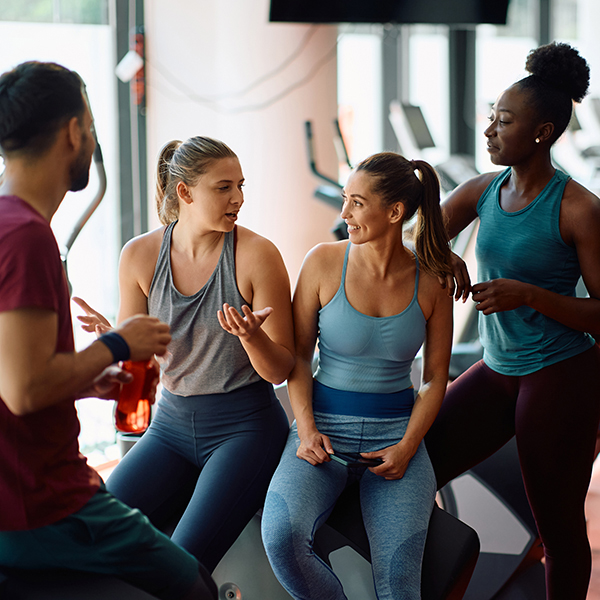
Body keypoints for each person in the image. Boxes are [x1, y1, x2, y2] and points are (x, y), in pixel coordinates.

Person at [0, 61, 216, 599]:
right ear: (74, 132)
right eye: (92, 127)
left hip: (16, 495)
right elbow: (24, 390)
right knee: (197, 588)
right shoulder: (26, 238)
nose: (93, 139)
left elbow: (14, 371)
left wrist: (84, 377)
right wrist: (119, 342)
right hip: (45, 502)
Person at [424, 42, 600, 600]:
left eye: (503, 122)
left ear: (542, 132)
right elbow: (414, 235)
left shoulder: (577, 208)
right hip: (498, 368)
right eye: (491, 118)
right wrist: (439, 251)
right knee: (413, 471)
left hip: (562, 374)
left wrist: (531, 295)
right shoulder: (484, 190)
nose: (489, 132)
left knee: (558, 524)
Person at [75, 135, 295, 573]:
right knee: (91, 534)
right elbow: (142, 360)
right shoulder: (139, 255)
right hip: (169, 427)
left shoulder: (257, 256)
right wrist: (115, 339)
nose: (239, 198)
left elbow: (281, 370)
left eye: (241, 186)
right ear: (185, 192)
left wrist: (252, 338)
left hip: (245, 430)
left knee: (182, 565)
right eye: (224, 187)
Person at [260, 152, 453, 600]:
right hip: (321, 433)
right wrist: (305, 430)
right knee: (281, 538)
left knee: (401, 583)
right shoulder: (323, 263)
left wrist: (407, 448)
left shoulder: (432, 282)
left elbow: (435, 378)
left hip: (395, 439)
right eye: (345, 200)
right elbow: (300, 358)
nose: (343, 213)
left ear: (395, 212)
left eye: (356, 203)